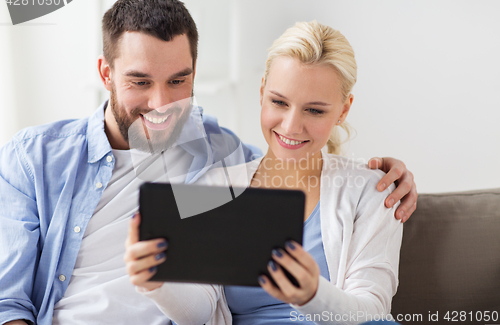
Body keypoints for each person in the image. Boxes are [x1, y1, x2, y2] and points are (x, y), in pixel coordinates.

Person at [0, 0, 415, 325]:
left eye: (178, 80)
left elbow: (290, 159)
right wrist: (154, 280)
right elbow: (8, 302)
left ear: (195, 74)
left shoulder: (216, 155)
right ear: (106, 74)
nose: (161, 104)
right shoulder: (34, 158)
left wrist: (383, 175)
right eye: (140, 81)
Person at [125, 20, 404, 325]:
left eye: (315, 110)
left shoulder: (371, 190)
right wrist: (156, 283)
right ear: (262, 93)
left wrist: (311, 295)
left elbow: (373, 311)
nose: (291, 126)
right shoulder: (217, 187)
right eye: (279, 102)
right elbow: (201, 310)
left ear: (343, 110)